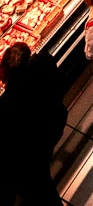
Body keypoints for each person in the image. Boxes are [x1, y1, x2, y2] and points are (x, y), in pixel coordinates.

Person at [0, 42, 67, 204]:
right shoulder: (43, 62)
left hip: (33, 147)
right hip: (55, 120)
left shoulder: (9, 103)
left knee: (39, 185)